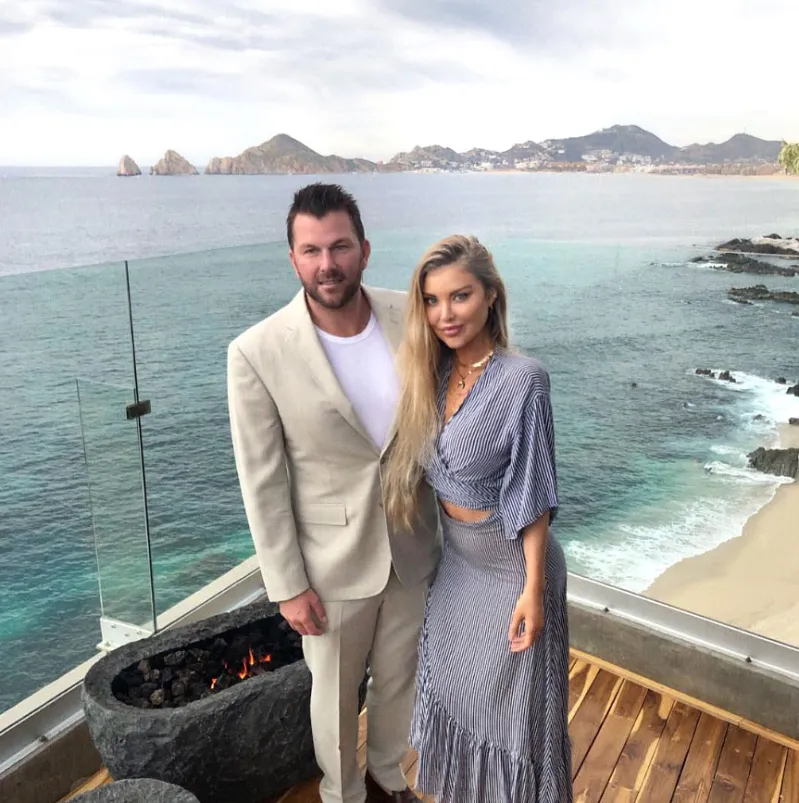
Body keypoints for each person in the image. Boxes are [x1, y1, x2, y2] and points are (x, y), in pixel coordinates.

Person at [226, 183, 441, 803]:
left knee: (399, 677)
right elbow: (262, 478)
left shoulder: (413, 316)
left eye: (340, 246)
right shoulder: (256, 352)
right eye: (312, 249)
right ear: (292, 258)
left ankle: (387, 773)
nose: (328, 263)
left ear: (365, 250)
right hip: (329, 565)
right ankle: (342, 791)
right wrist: (286, 584)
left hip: (412, 542)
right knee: (335, 693)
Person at [383, 235, 572, 803]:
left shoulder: (523, 379)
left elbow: (533, 494)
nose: (446, 314)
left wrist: (533, 590)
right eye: (433, 301)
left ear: (491, 295)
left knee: (516, 724)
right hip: (459, 568)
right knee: (455, 700)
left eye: (460, 296)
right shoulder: (429, 374)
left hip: (517, 572)